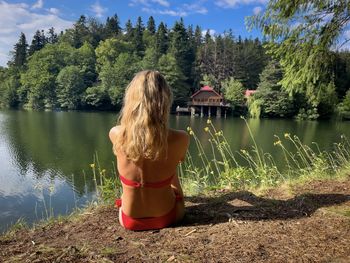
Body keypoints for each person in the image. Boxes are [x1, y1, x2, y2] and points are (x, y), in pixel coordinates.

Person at [109, 70, 190, 231]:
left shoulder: (116, 134)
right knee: (170, 167)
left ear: (131, 100)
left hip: (128, 220)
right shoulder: (180, 138)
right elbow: (173, 170)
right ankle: (172, 199)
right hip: (168, 216)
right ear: (165, 101)